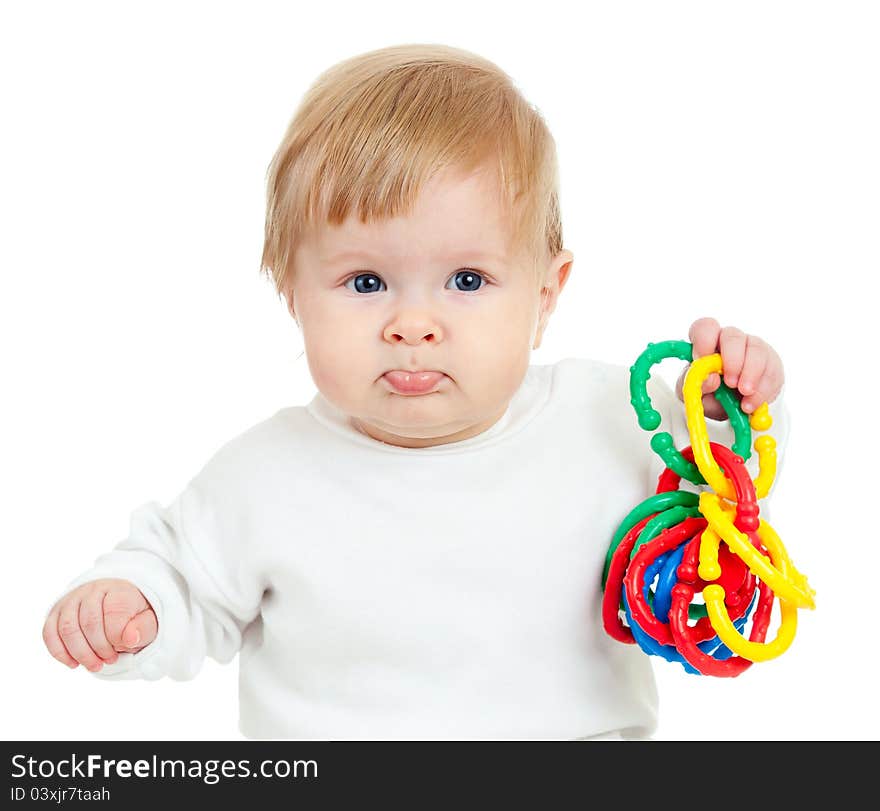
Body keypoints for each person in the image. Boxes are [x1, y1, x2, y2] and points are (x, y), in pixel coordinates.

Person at [41, 43, 788, 740]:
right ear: (293, 294)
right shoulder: (264, 473)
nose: (413, 324)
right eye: (365, 282)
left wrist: (735, 396)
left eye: (467, 280)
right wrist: (128, 604)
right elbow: (181, 577)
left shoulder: (605, 417)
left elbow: (729, 470)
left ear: (545, 294)